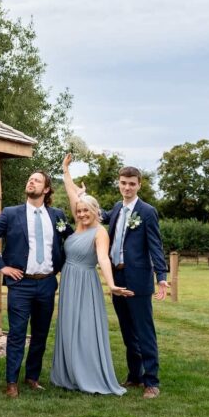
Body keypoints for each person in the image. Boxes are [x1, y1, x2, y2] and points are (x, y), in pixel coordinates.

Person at [0, 170, 72, 398]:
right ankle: (11, 381)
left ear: (47, 189)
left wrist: (60, 267)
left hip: (47, 283)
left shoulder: (57, 215)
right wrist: (2, 267)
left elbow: (72, 239)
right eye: (30, 179)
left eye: (37, 180)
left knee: (40, 334)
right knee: (17, 334)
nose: (31, 182)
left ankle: (32, 377)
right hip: (20, 284)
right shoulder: (11, 213)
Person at [51, 154, 133, 395]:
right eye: (79, 210)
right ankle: (70, 373)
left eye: (86, 210)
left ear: (95, 211)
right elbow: (72, 194)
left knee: (85, 329)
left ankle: (88, 373)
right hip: (68, 282)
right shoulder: (78, 226)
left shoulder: (100, 232)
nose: (82, 213)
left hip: (86, 283)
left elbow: (103, 258)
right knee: (68, 328)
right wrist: (66, 170)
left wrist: (111, 284)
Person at [99, 165, 169, 399]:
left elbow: (155, 246)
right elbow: (98, 216)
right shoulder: (117, 208)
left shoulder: (147, 212)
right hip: (117, 278)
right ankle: (135, 375)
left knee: (143, 331)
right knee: (128, 331)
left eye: (131, 183)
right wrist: (80, 195)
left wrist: (161, 277)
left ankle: (152, 381)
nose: (127, 187)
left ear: (139, 185)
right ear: (118, 184)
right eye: (123, 183)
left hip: (138, 279)